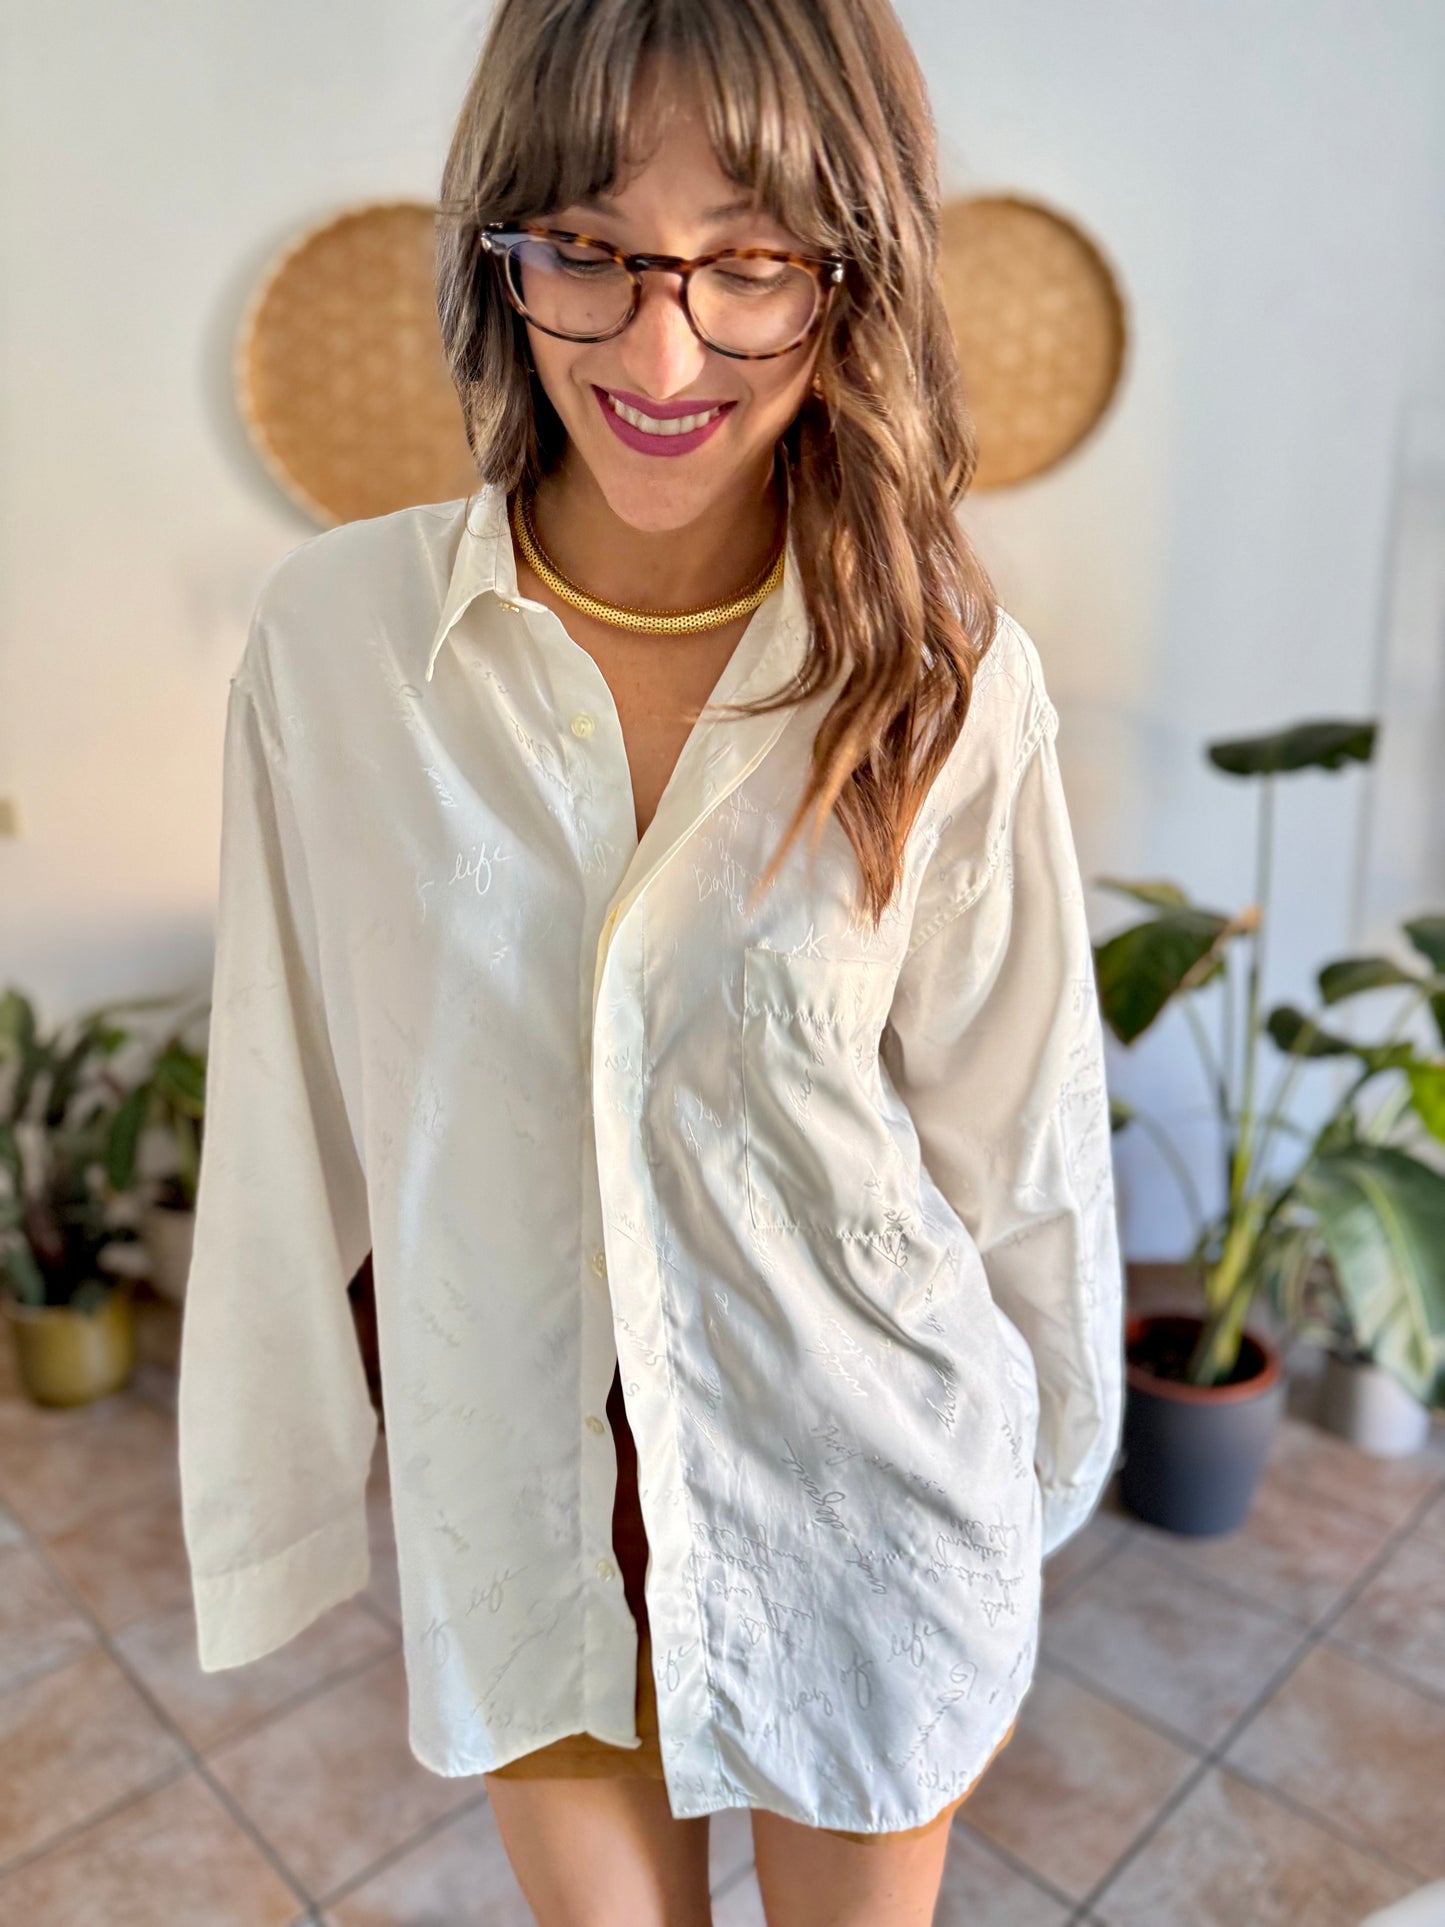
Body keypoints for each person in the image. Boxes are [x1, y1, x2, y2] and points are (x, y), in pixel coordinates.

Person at [178, 1, 1124, 1922]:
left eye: (751, 259)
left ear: (850, 268)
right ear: (500, 250)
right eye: (589, 251)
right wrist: (276, 1501)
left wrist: (1019, 1513)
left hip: (863, 1505)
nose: (660, 348)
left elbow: (1020, 1143)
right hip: (517, 1503)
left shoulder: (938, 674)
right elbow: (279, 1111)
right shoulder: (340, 647)